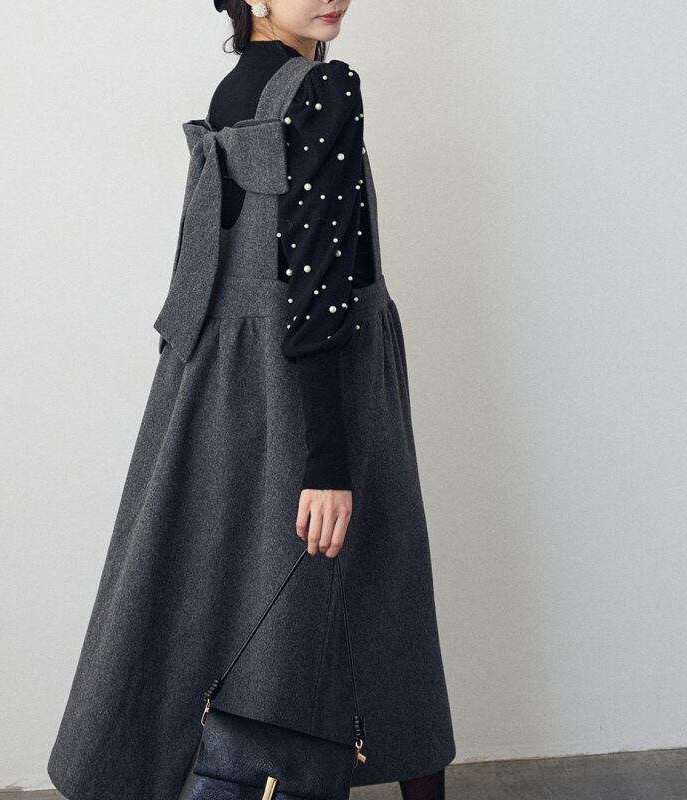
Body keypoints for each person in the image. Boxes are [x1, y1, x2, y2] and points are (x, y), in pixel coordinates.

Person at [47, 3, 456, 799]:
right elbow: (318, 284)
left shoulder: (234, 90)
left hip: (224, 386)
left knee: (206, 597)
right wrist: (328, 461)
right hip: (324, 384)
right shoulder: (324, 88)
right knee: (385, 593)